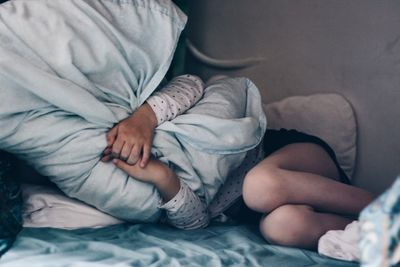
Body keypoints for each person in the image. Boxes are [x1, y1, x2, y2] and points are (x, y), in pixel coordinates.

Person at [106, 75, 374, 251]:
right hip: (261, 211)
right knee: (281, 229)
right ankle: (377, 229)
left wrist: (143, 119)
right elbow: (197, 222)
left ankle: (384, 207)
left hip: (285, 160)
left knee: (260, 186)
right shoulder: (137, 191)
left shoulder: (138, 109)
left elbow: (191, 83)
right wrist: (162, 178)